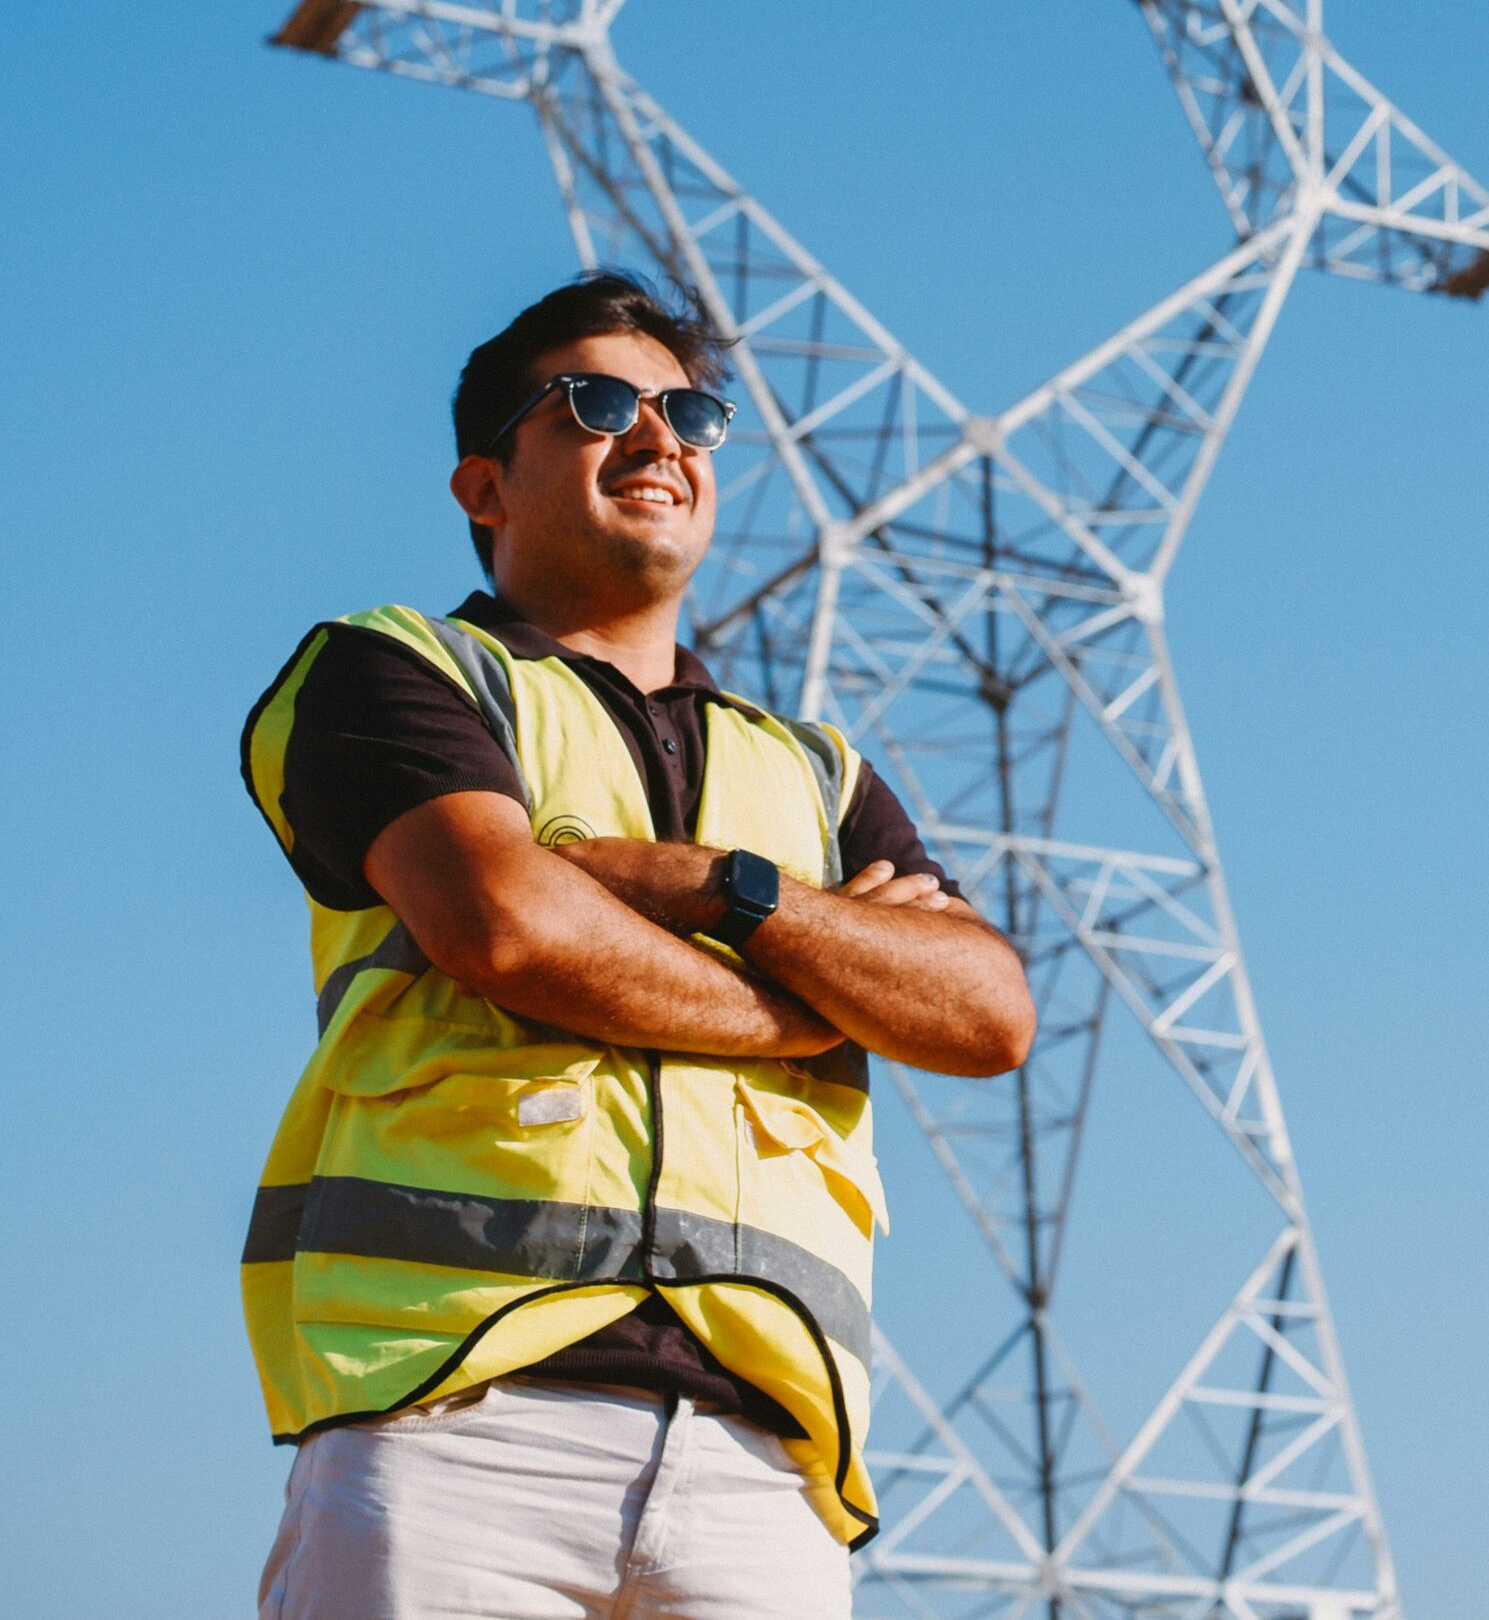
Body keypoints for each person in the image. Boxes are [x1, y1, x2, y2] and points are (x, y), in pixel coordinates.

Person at [241, 272, 1035, 1620]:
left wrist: (721, 890)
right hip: (456, 1417)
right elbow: (507, 928)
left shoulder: (817, 772)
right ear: (484, 487)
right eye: (598, 406)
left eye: (693, 415)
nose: (661, 437)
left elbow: (985, 1014)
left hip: (764, 1462)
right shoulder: (396, 671)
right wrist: (819, 1002)